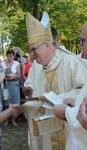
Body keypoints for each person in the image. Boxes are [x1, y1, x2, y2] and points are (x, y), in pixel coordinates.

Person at [14, 12, 87, 150]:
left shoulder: (70, 61)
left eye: (34, 49)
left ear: (47, 45)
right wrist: (24, 107)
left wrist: (61, 98)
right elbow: (37, 96)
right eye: (31, 51)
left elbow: (83, 91)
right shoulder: (38, 66)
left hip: (67, 129)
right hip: (47, 132)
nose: (32, 55)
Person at [54, 22, 87, 150]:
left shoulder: (70, 60)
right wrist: (76, 101)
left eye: (82, 40)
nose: (80, 46)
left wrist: (66, 112)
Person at [0, 49, 21, 126]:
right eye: (8, 55)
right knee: (6, 102)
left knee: (14, 102)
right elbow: (1, 74)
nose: (10, 57)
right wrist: (6, 77)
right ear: (6, 56)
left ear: (13, 56)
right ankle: (6, 120)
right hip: (6, 84)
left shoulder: (16, 63)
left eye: (11, 55)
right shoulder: (2, 64)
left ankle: (13, 119)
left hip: (14, 84)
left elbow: (19, 75)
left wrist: (11, 78)